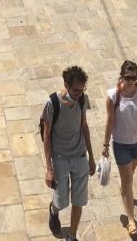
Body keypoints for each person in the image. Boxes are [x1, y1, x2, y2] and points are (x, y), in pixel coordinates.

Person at [42, 65, 95, 241]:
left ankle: (72, 236)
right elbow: (47, 136)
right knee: (61, 201)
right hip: (60, 159)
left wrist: (91, 158)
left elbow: (84, 127)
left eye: (82, 89)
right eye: (76, 90)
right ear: (66, 84)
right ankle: (53, 209)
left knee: (79, 201)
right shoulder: (52, 103)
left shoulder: (82, 99)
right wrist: (49, 168)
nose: (80, 93)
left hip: (79, 156)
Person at [102, 61, 137, 238]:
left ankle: (124, 192)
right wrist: (106, 145)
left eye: (135, 77)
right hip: (121, 144)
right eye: (128, 77)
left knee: (129, 177)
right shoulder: (113, 96)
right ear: (121, 76)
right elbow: (110, 122)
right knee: (128, 181)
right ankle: (131, 220)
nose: (131, 81)